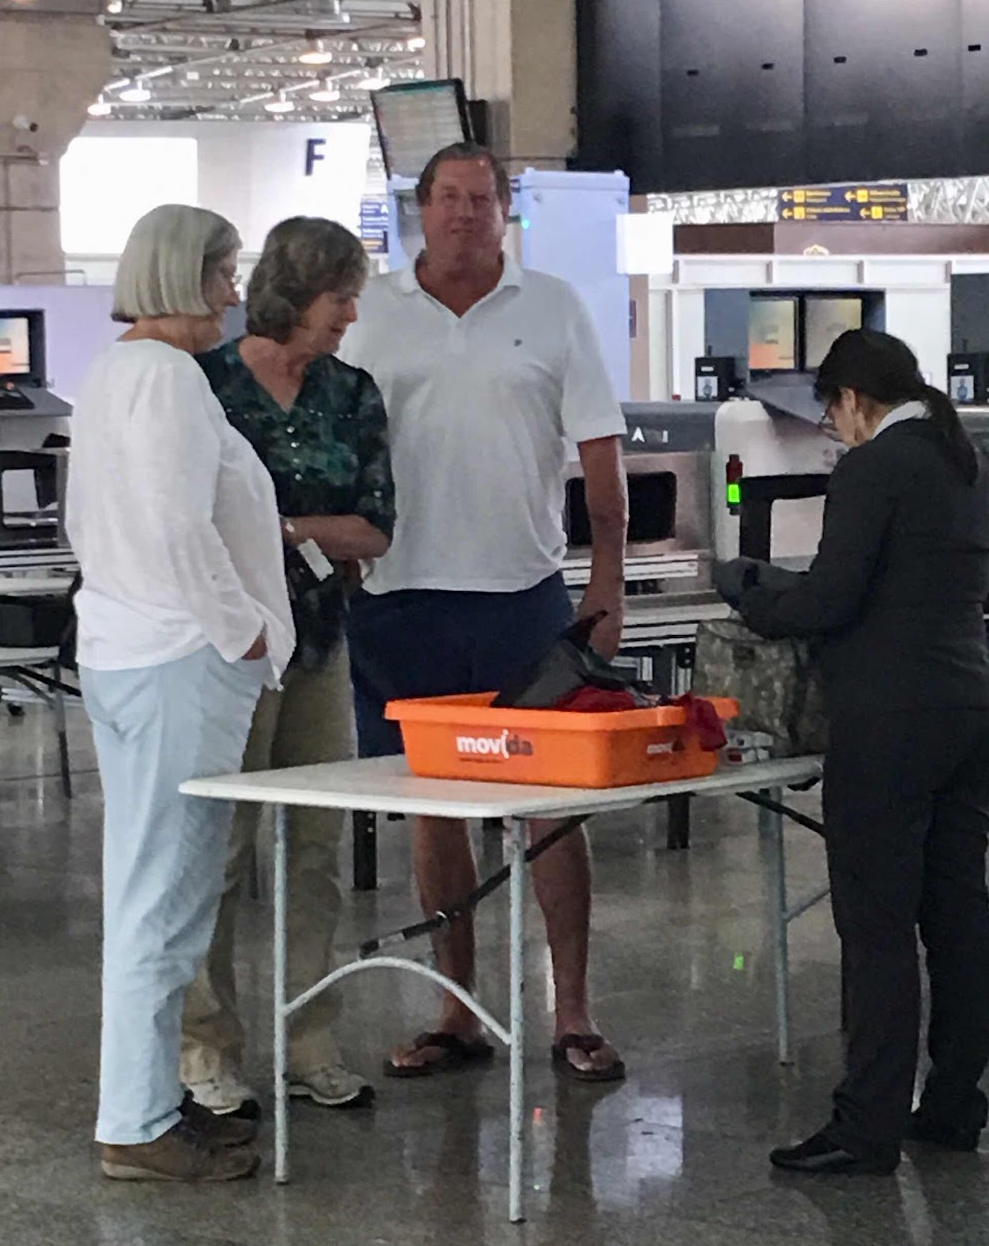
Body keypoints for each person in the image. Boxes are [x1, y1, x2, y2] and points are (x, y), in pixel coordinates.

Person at [341, 141, 630, 1083]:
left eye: (482, 198)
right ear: (420, 210)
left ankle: (573, 1012)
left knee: (550, 810)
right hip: (399, 596)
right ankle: (454, 1010)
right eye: (448, 197)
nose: (465, 213)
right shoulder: (369, 312)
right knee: (435, 812)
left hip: (522, 597)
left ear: (508, 211)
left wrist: (607, 582)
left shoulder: (553, 308)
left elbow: (599, 452)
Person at [715, 328, 989, 1177]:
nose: (836, 432)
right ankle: (952, 1107)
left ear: (851, 399)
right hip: (972, 706)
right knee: (957, 912)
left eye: (832, 416)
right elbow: (982, 590)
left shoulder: (875, 467)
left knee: (877, 927)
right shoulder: (973, 465)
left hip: (890, 721)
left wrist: (752, 592)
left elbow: (830, 600)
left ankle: (866, 1126)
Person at [68, 204, 295, 1182]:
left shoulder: (113, 373)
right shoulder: (166, 378)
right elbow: (178, 525)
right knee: (168, 894)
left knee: (147, 888)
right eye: (222, 275)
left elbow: (97, 525)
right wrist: (240, 627)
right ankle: (136, 1123)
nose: (233, 295)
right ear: (180, 275)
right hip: (179, 659)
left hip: (128, 652)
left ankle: (146, 1102)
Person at [181, 216, 394, 1118]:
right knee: (221, 852)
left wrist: (284, 530)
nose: (350, 314)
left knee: (315, 853)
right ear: (296, 293)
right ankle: (206, 1048)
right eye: (340, 297)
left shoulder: (351, 393)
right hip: (229, 649)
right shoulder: (207, 385)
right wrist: (294, 539)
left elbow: (375, 528)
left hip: (318, 643)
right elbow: (187, 520)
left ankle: (311, 1041)